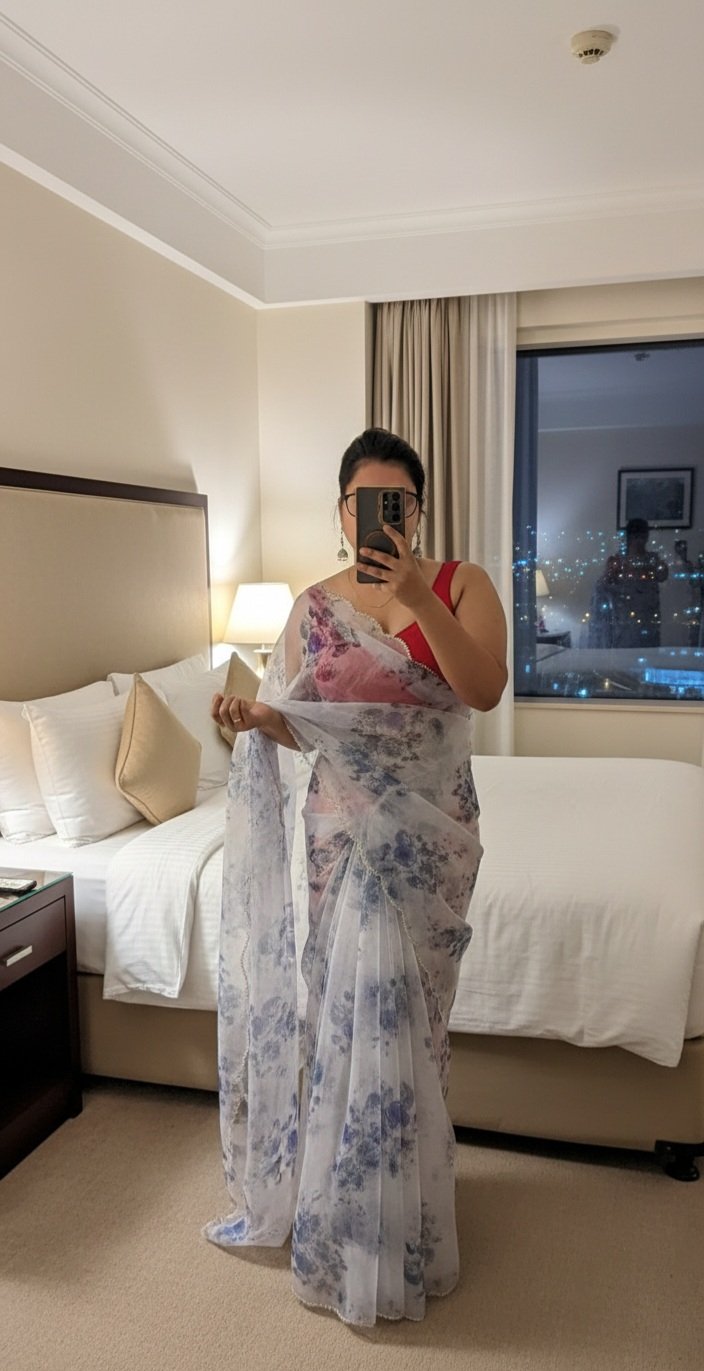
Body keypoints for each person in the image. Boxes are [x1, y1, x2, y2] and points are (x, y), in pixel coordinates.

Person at [203, 428, 508, 1326]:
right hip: (340, 841)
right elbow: (305, 721)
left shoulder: (461, 584)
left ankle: (407, 1227)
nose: (380, 517)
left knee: (414, 1025)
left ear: (417, 510)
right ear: (341, 512)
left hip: (427, 844)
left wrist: (416, 595)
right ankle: (343, 1223)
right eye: (364, 502)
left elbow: (484, 688)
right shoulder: (312, 608)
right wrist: (258, 715)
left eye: (397, 503)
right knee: (343, 1022)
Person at [601, 517, 668, 648]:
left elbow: (663, 576)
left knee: (649, 651)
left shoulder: (653, 559)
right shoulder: (618, 561)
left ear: (647, 537)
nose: (639, 540)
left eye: (643, 536)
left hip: (649, 620)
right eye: (636, 536)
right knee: (626, 653)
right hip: (624, 622)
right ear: (629, 537)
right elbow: (605, 586)